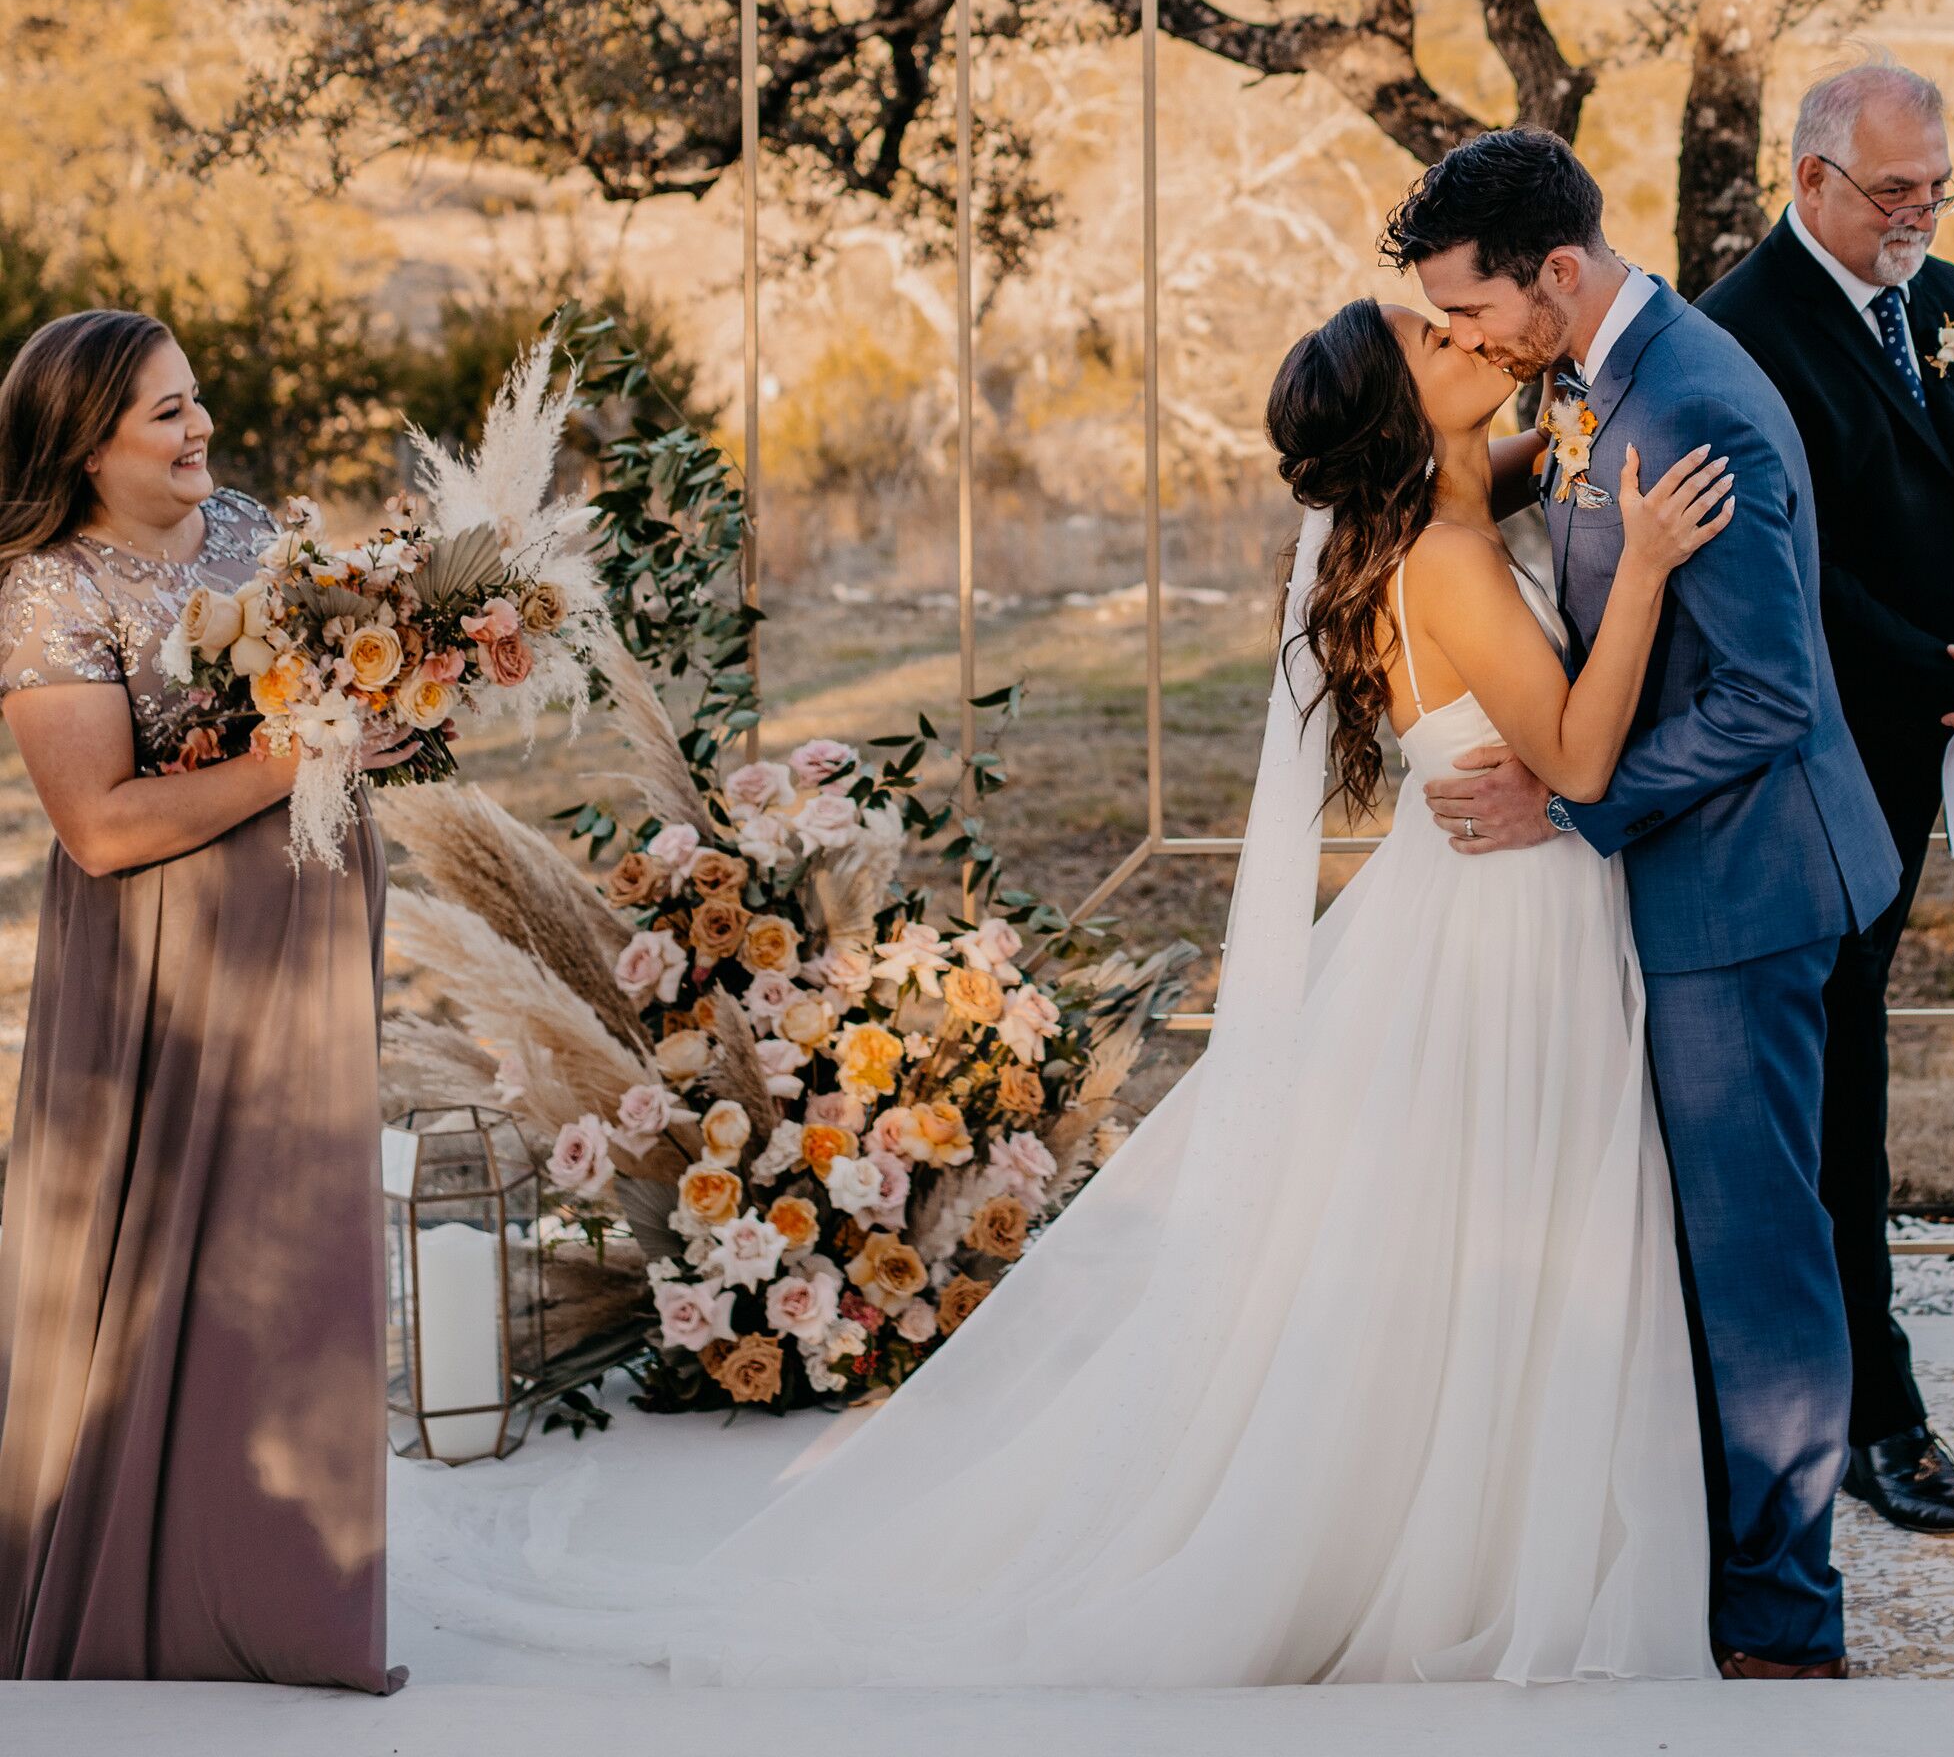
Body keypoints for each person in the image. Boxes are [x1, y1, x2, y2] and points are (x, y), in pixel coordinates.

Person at [400, 291, 1732, 1686]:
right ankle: (1477, 1537)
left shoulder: (1453, 502)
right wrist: (1638, 567)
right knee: (1501, 1204)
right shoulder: (1447, 559)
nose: (1473, 341)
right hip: (1505, 923)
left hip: (1485, 903)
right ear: (1404, 417)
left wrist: (1564, 437)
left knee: (1469, 1220)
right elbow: (1579, 764)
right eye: (1437, 342)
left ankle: (1494, 1509)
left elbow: (1517, 469)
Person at [1387, 131, 1902, 1683]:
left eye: (1471, 311)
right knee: (1721, 1245)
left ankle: (1783, 1616)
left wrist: (1570, 794)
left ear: (1556, 273)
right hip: (1704, 871)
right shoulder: (1610, 378)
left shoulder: (1688, 404)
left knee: (1760, 1260)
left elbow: (1766, 694)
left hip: (1747, 881)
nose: (1462, 342)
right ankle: (1706, 1561)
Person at [1700, 60, 1954, 1535]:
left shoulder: (1953, 298)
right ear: (1809, 182)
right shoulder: (1743, 333)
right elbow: (1797, 577)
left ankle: (1836, 1398)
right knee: (1834, 1087)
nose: (1919, 216)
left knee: (1851, 1066)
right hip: (1813, 770)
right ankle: (1870, 1416)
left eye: (1935, 188)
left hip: (1934, 744)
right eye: (1891, 193)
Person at [0, 312, 393, 1688]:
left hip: (310, 921)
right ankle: (144, 1587)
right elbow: (98, 827)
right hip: (166, 959)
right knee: (167, 1251)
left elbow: (334, 686)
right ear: (84, 443)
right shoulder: (50, 591)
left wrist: (396, 701)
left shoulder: (249, 530)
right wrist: (304, 757)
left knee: (296, 1256)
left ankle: (293, 1588)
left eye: (197, 400)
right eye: (165, 415)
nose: (200, 430)